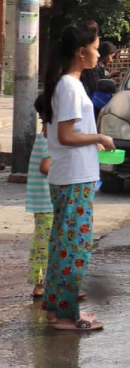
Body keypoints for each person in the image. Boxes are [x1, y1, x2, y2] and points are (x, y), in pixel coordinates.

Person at [40, 20, 116, 331]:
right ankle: (67, 315)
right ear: (82, 52)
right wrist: (100, 138)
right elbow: (67, 135)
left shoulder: (66, 84)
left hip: (70, 175)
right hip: (74, 177)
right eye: (97, 49)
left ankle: (56, 309)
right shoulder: (70, 86)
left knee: (63, 245)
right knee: (74, 248)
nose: (99, 55)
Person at [26, 95, 52, 299]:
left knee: (41, 241)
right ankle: (42, 284)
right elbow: (46, 167)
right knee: (44, 243)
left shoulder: (44, 134)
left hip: (44, 200)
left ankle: (41, 282)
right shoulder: (47, 138)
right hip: (46, 200)